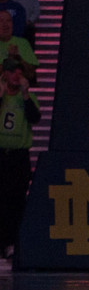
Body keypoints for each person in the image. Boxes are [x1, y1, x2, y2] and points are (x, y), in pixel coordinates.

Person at [0, 57, 38, 260]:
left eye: (19, 71)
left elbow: (35, 118)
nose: (16, 75)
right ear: (4, 74)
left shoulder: (26, 99)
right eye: (12, 71)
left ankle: (12, 242)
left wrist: (25, 96)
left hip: (18, 157)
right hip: (1, 155)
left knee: (16, 200)